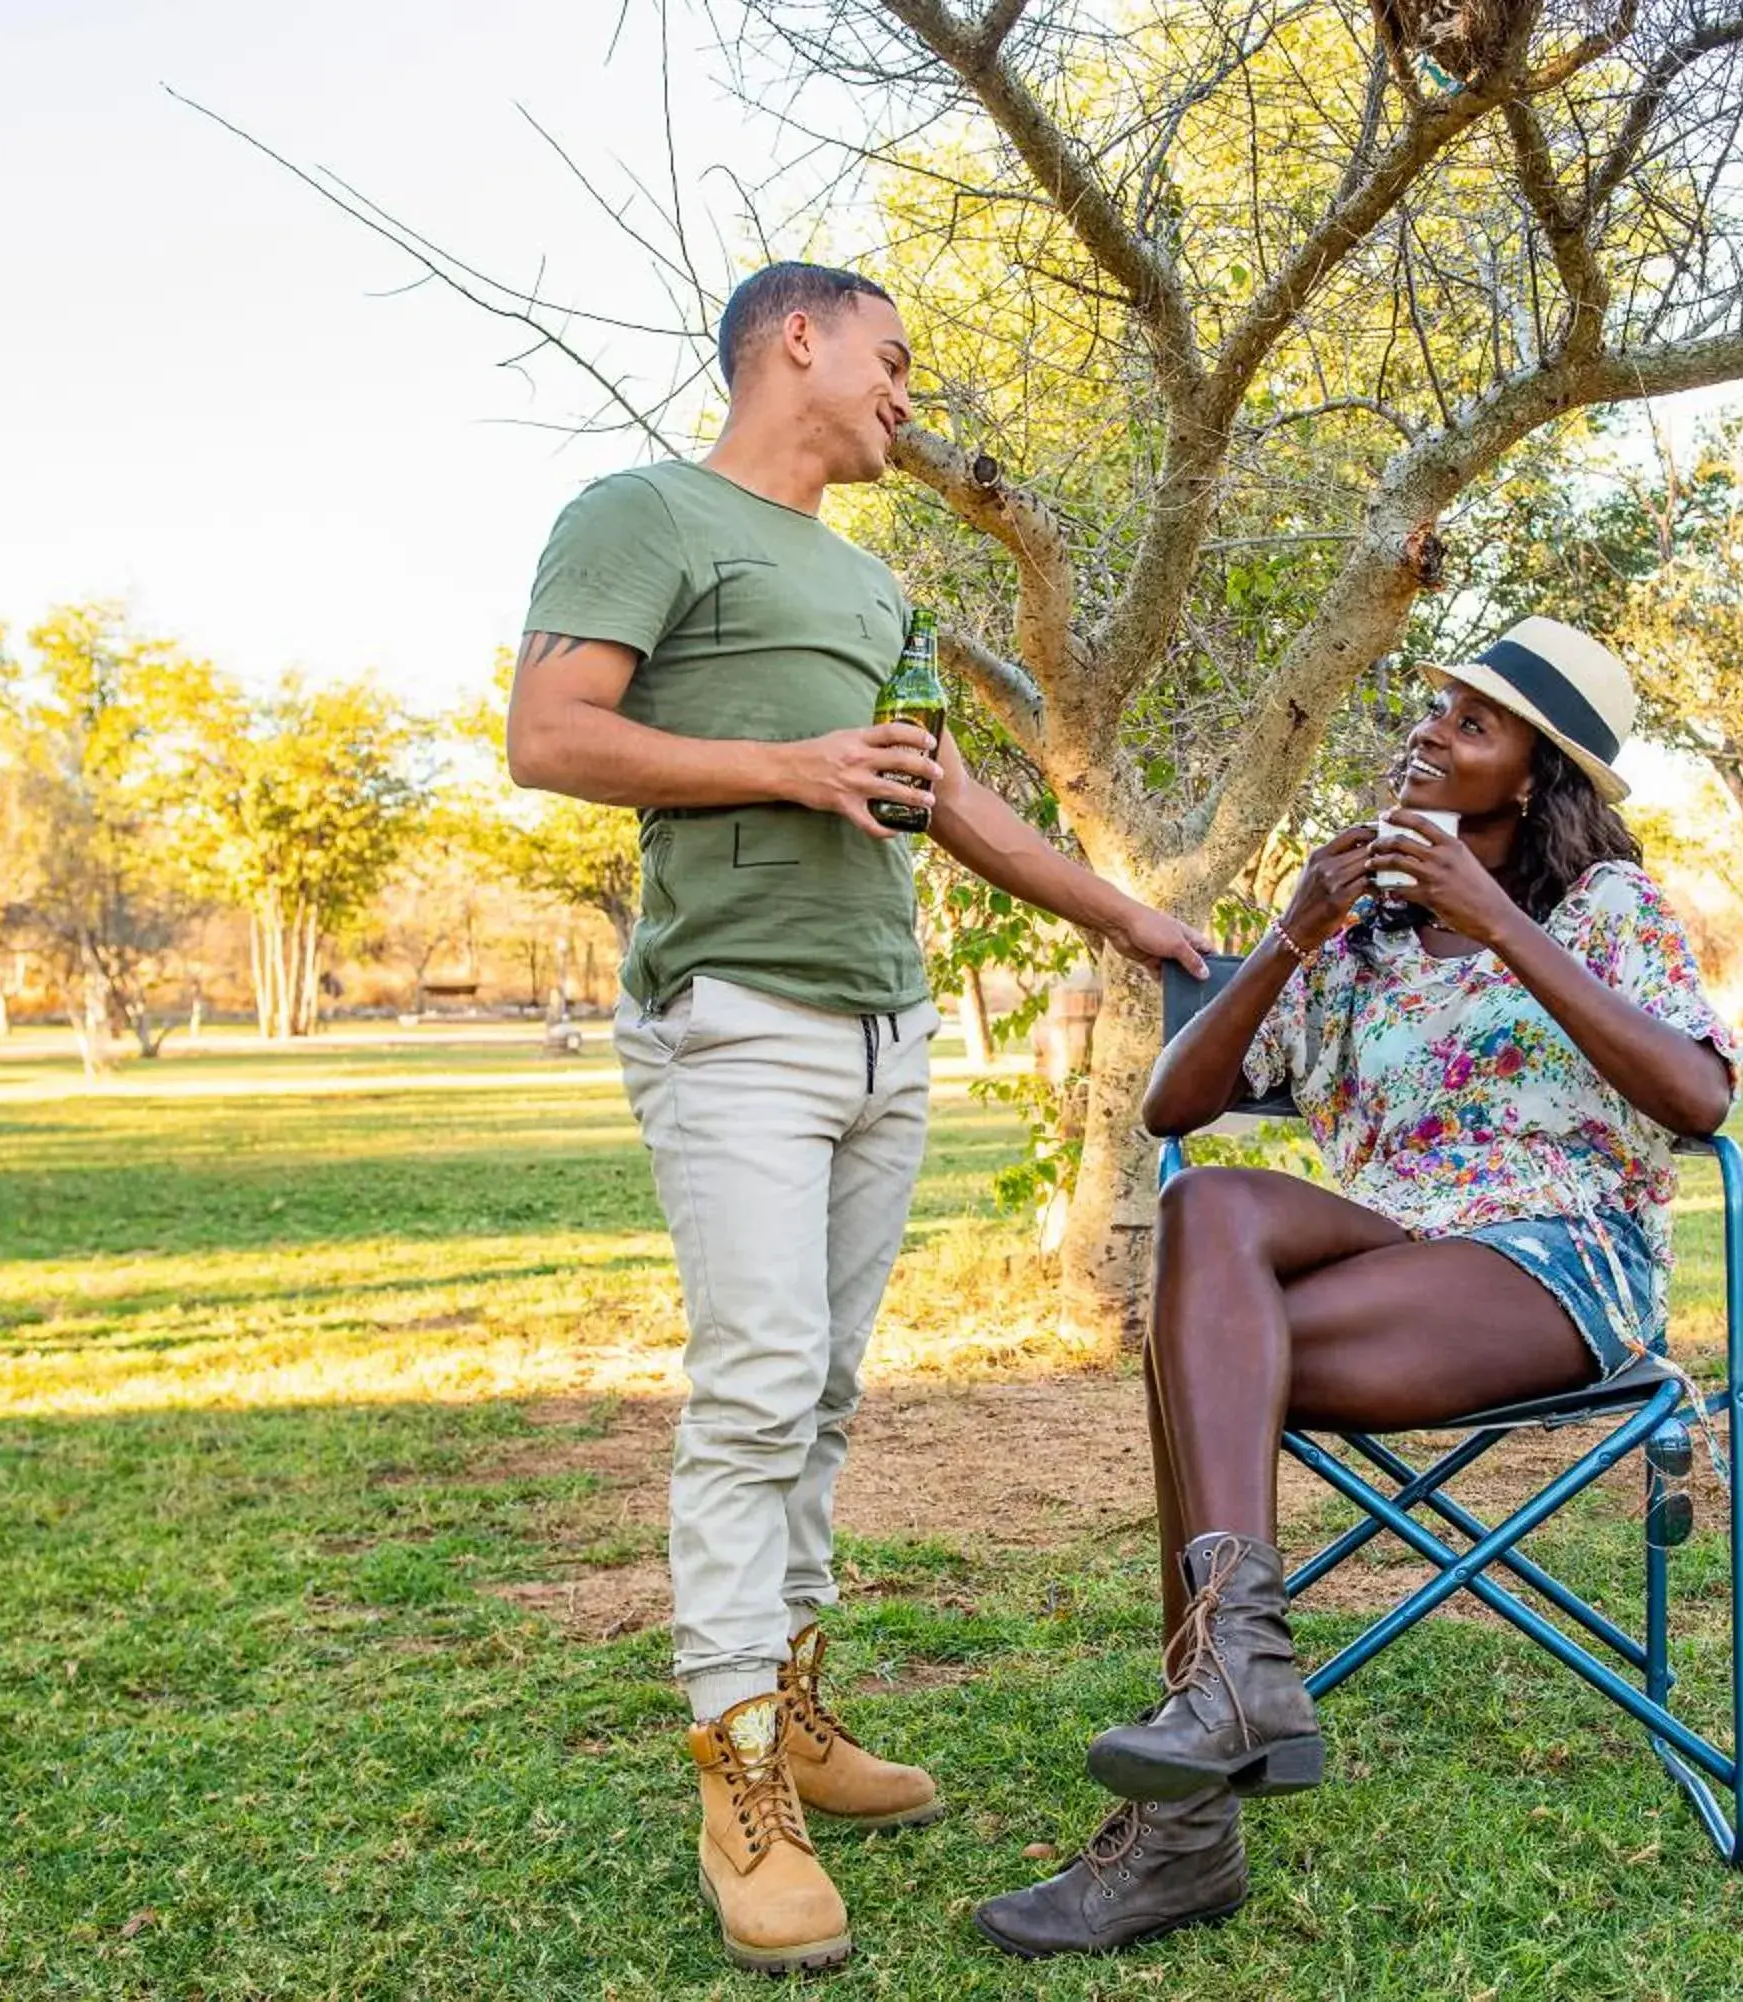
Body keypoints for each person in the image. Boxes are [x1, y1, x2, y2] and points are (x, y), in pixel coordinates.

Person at [503, 260, 1210, 1977]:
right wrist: (790, 767)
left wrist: (1132, 918)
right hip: (735, 1015)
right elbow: (547, 735)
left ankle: (794, 1702)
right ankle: (735, 1775)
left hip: (886, 1039)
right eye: (894, 355)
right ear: (796, 340)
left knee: (817, 1390)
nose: (909, 390)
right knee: (753, 1383)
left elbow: (946, 795)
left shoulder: (878, 580)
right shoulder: (641, 512)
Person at [973, 616, 1737, 1959]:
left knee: (1202, 1359)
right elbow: (1175, 1101)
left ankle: (1185, 1831)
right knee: (1207, 1202)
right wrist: (1295, 922)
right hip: (1387, 1243)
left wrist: (1493, 922)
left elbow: (1696, 1095)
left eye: (1472, 722)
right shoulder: (1359, 937)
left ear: (1536, 776)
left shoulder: (1608, 910)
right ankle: (1238, 1682)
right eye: (1434, 705)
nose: (1429, 729)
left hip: (1558, 1259)